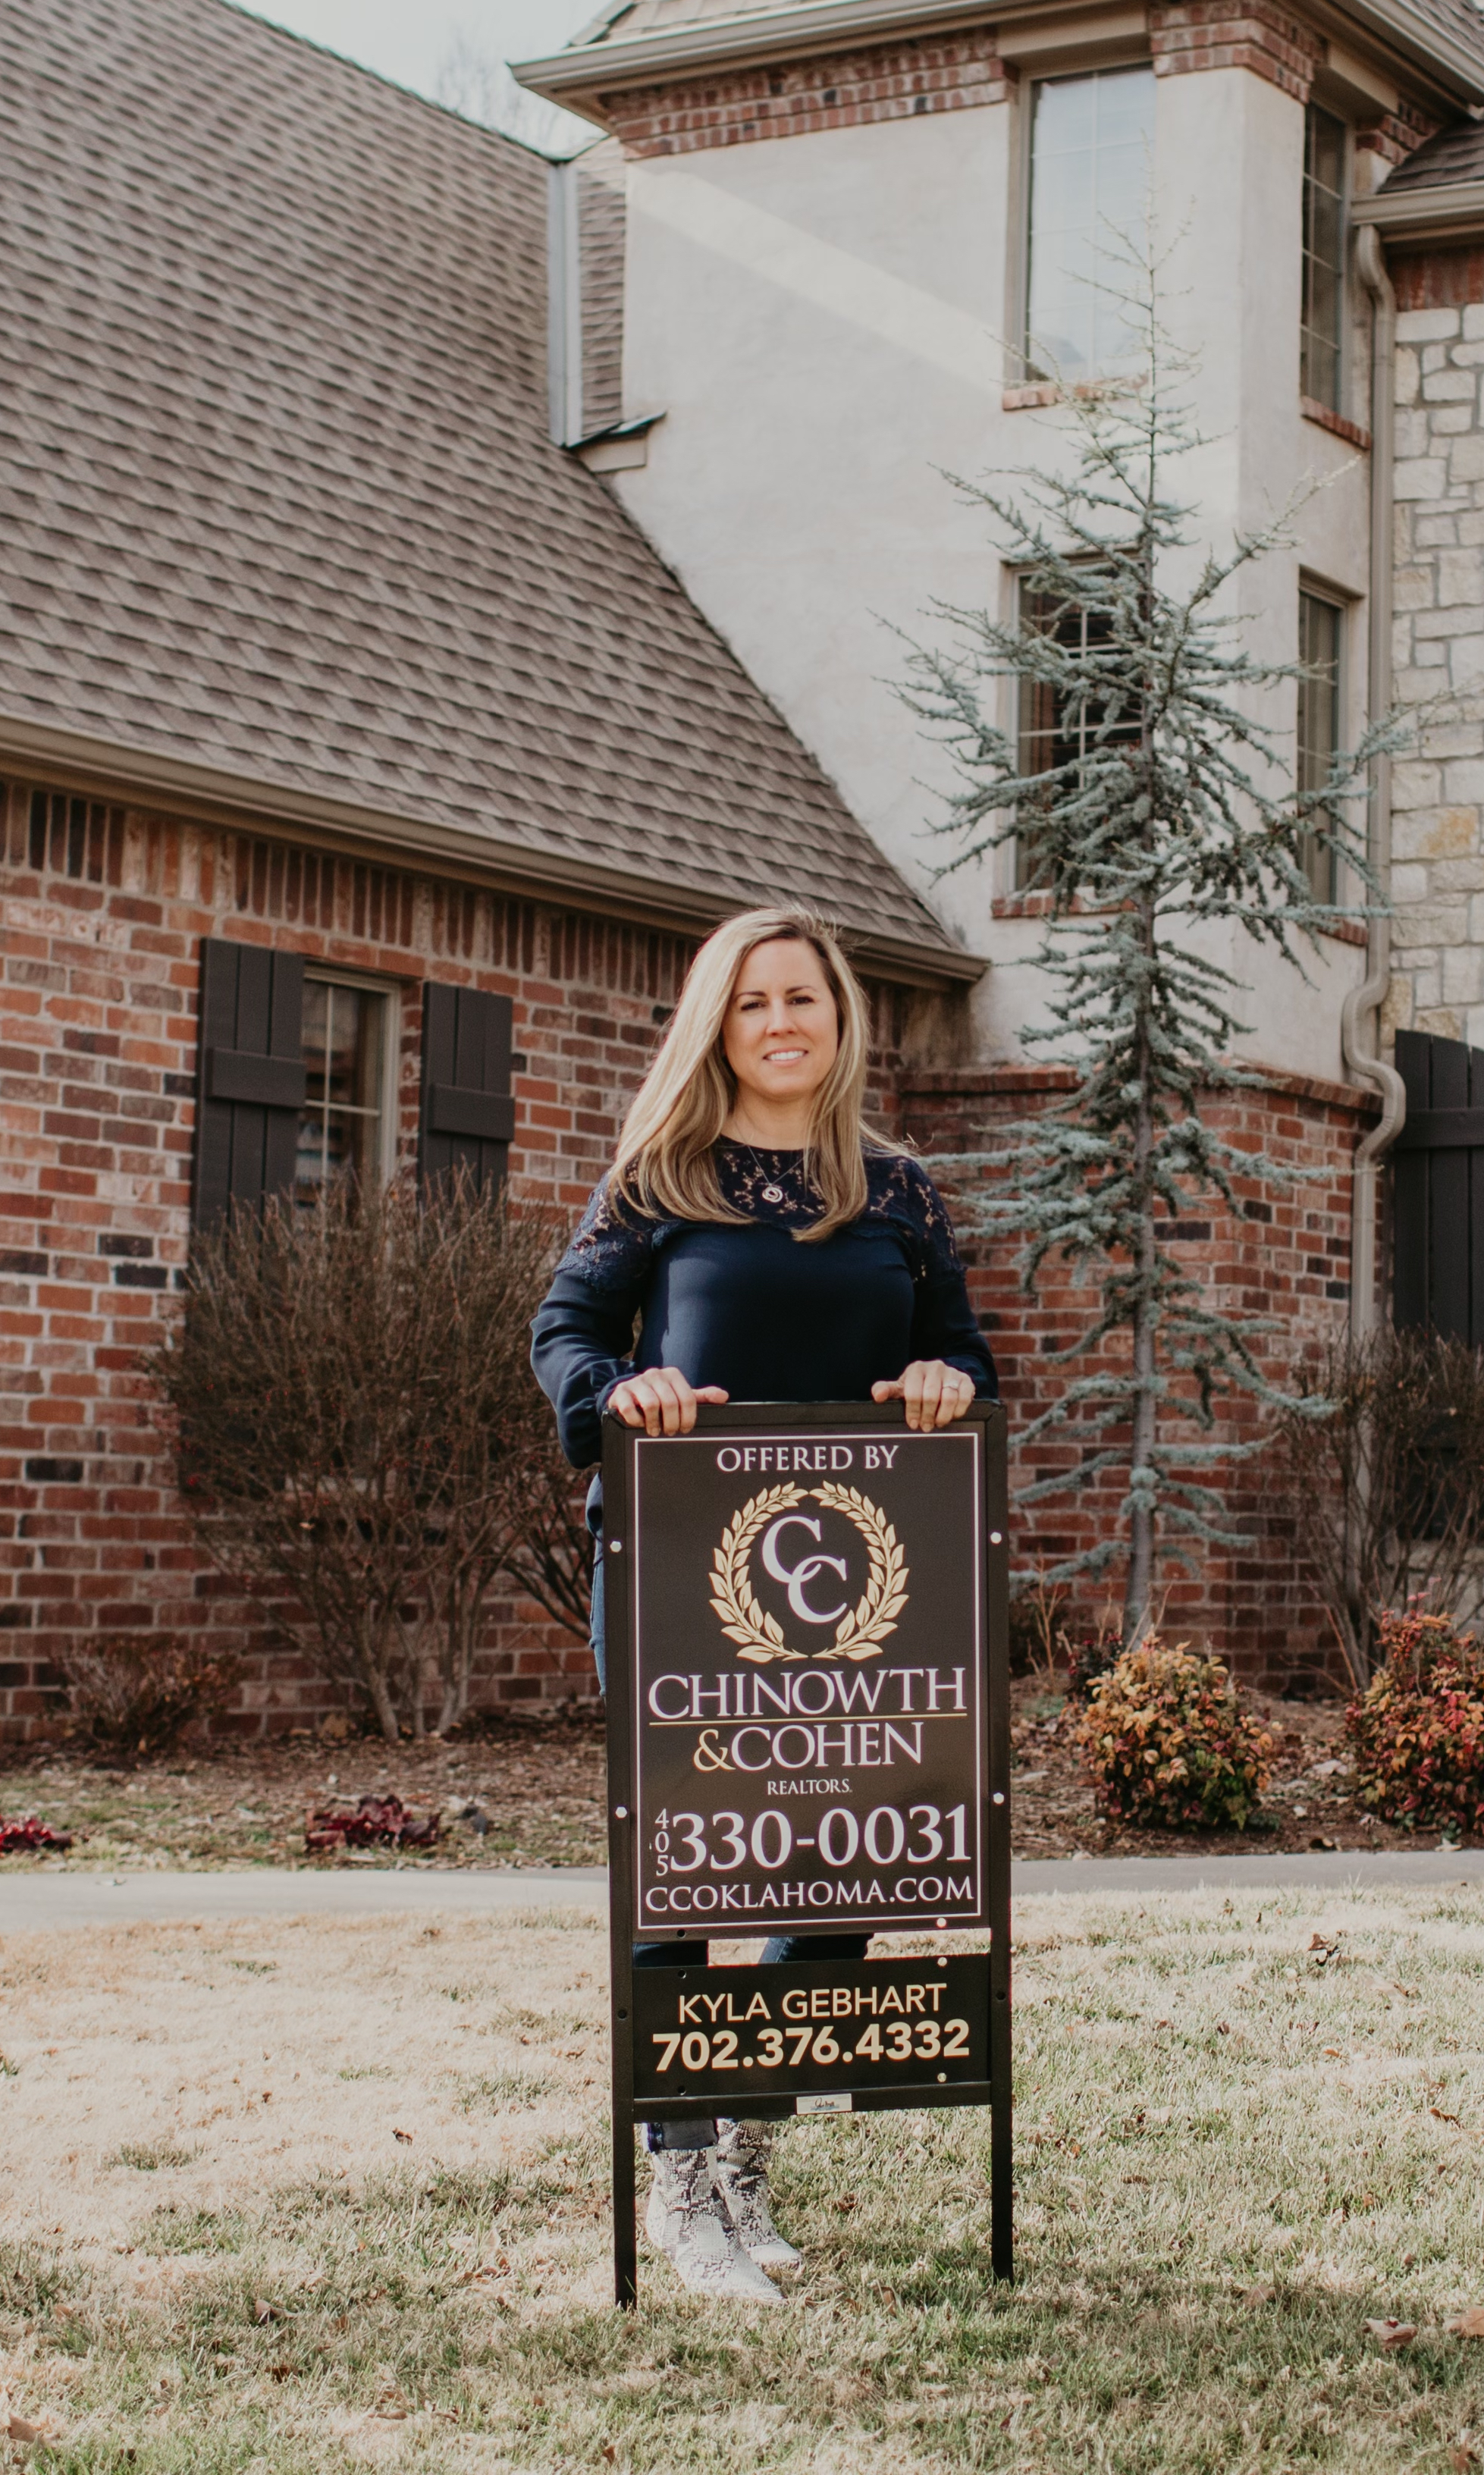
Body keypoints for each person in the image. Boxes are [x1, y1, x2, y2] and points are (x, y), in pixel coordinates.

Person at [531, 905, 996, 2304]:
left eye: (804, 997)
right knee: (692, 1864)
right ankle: (676, 2179)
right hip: (680, 1573)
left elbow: (959, 1349)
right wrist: (620, 1389)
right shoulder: (660, 1178)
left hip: (866, 1592)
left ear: (840, 1018)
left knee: (842, 1871)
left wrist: (949, 1383)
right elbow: (564, 1331)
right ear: (716, 1026)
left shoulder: (899, 1191)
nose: (783, 1022)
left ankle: (742, 2145)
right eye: (753, 1004)